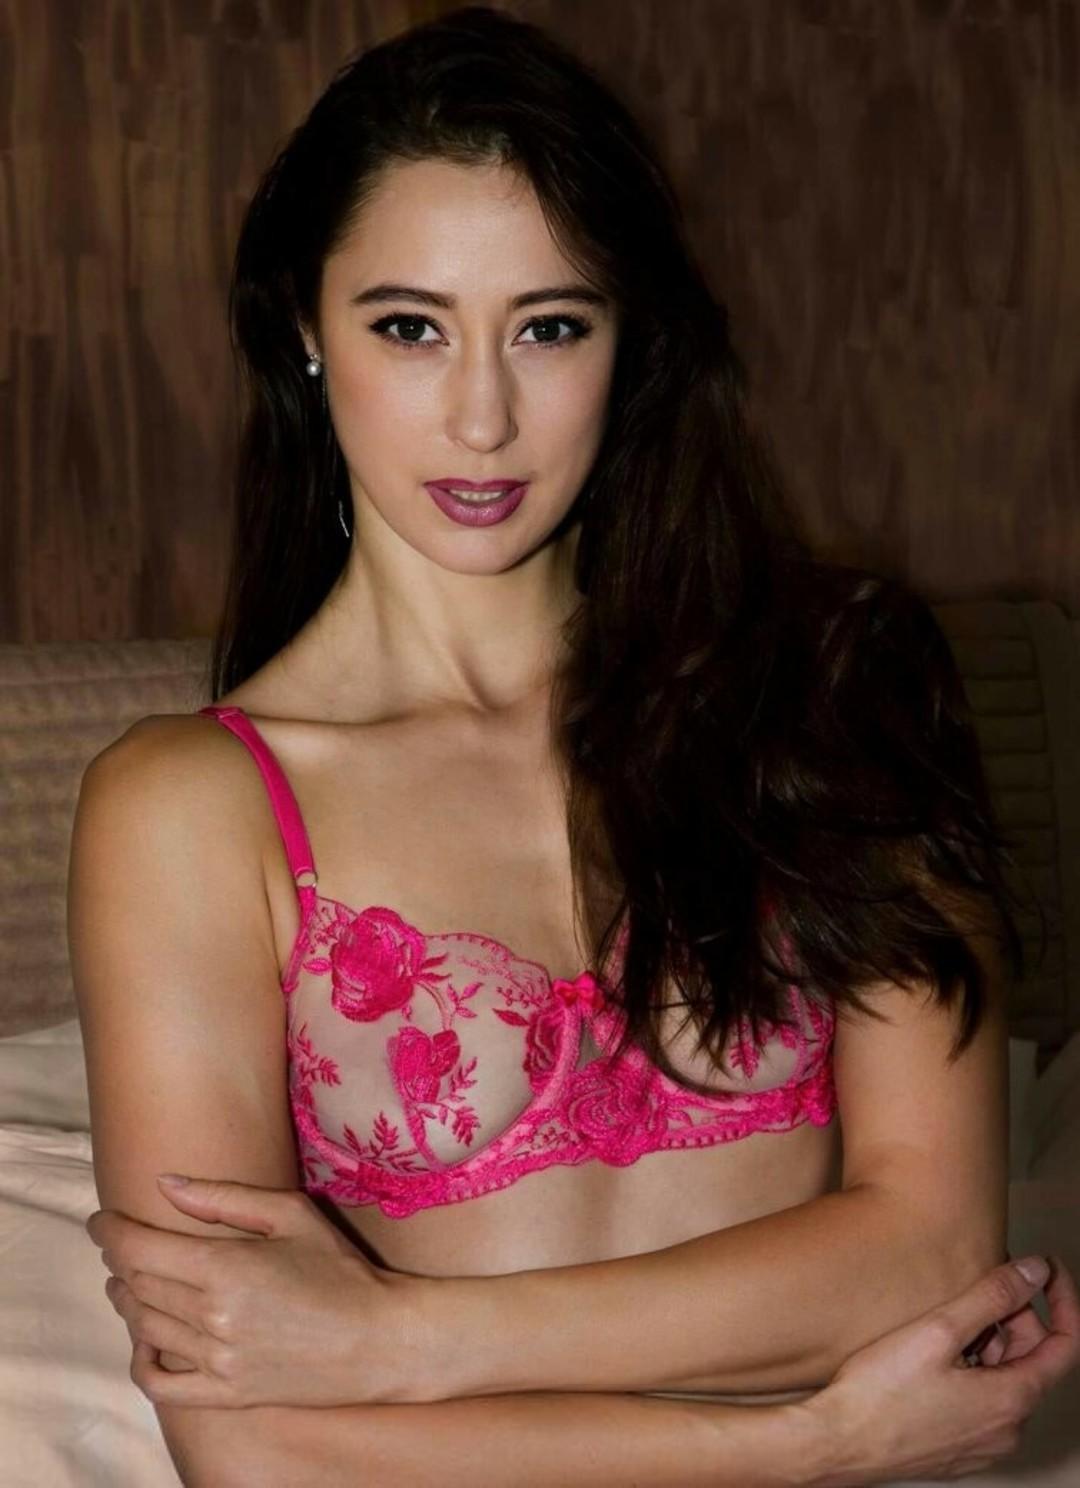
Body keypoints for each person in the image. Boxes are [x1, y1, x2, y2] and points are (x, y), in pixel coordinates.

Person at [68, 6, 1079, 1485]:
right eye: (409, 326)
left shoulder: (835, 683)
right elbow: (252, 1451)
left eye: (550, 327)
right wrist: (812, 1443)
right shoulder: (188, 807)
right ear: (302, 329)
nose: (482, 418)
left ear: (631, 339)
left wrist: (400, 1339)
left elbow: (933, 1247)